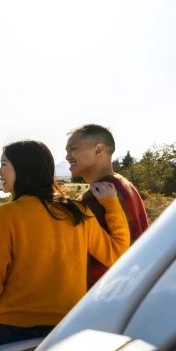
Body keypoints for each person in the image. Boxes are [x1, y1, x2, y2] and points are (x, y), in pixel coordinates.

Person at [0, 140, 129, 351]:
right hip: (66, 330)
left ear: (24, 168)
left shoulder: (6, 215)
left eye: (4, 164)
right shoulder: (78, 212)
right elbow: (117, 255)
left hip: (11, 331)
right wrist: (111, 204)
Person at [65, 124, 149, 289]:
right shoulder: (122, 184)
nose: (67, 156)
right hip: (132, 283)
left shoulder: (97, 196)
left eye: (73, 149)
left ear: (98, 150)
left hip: (103, 291)